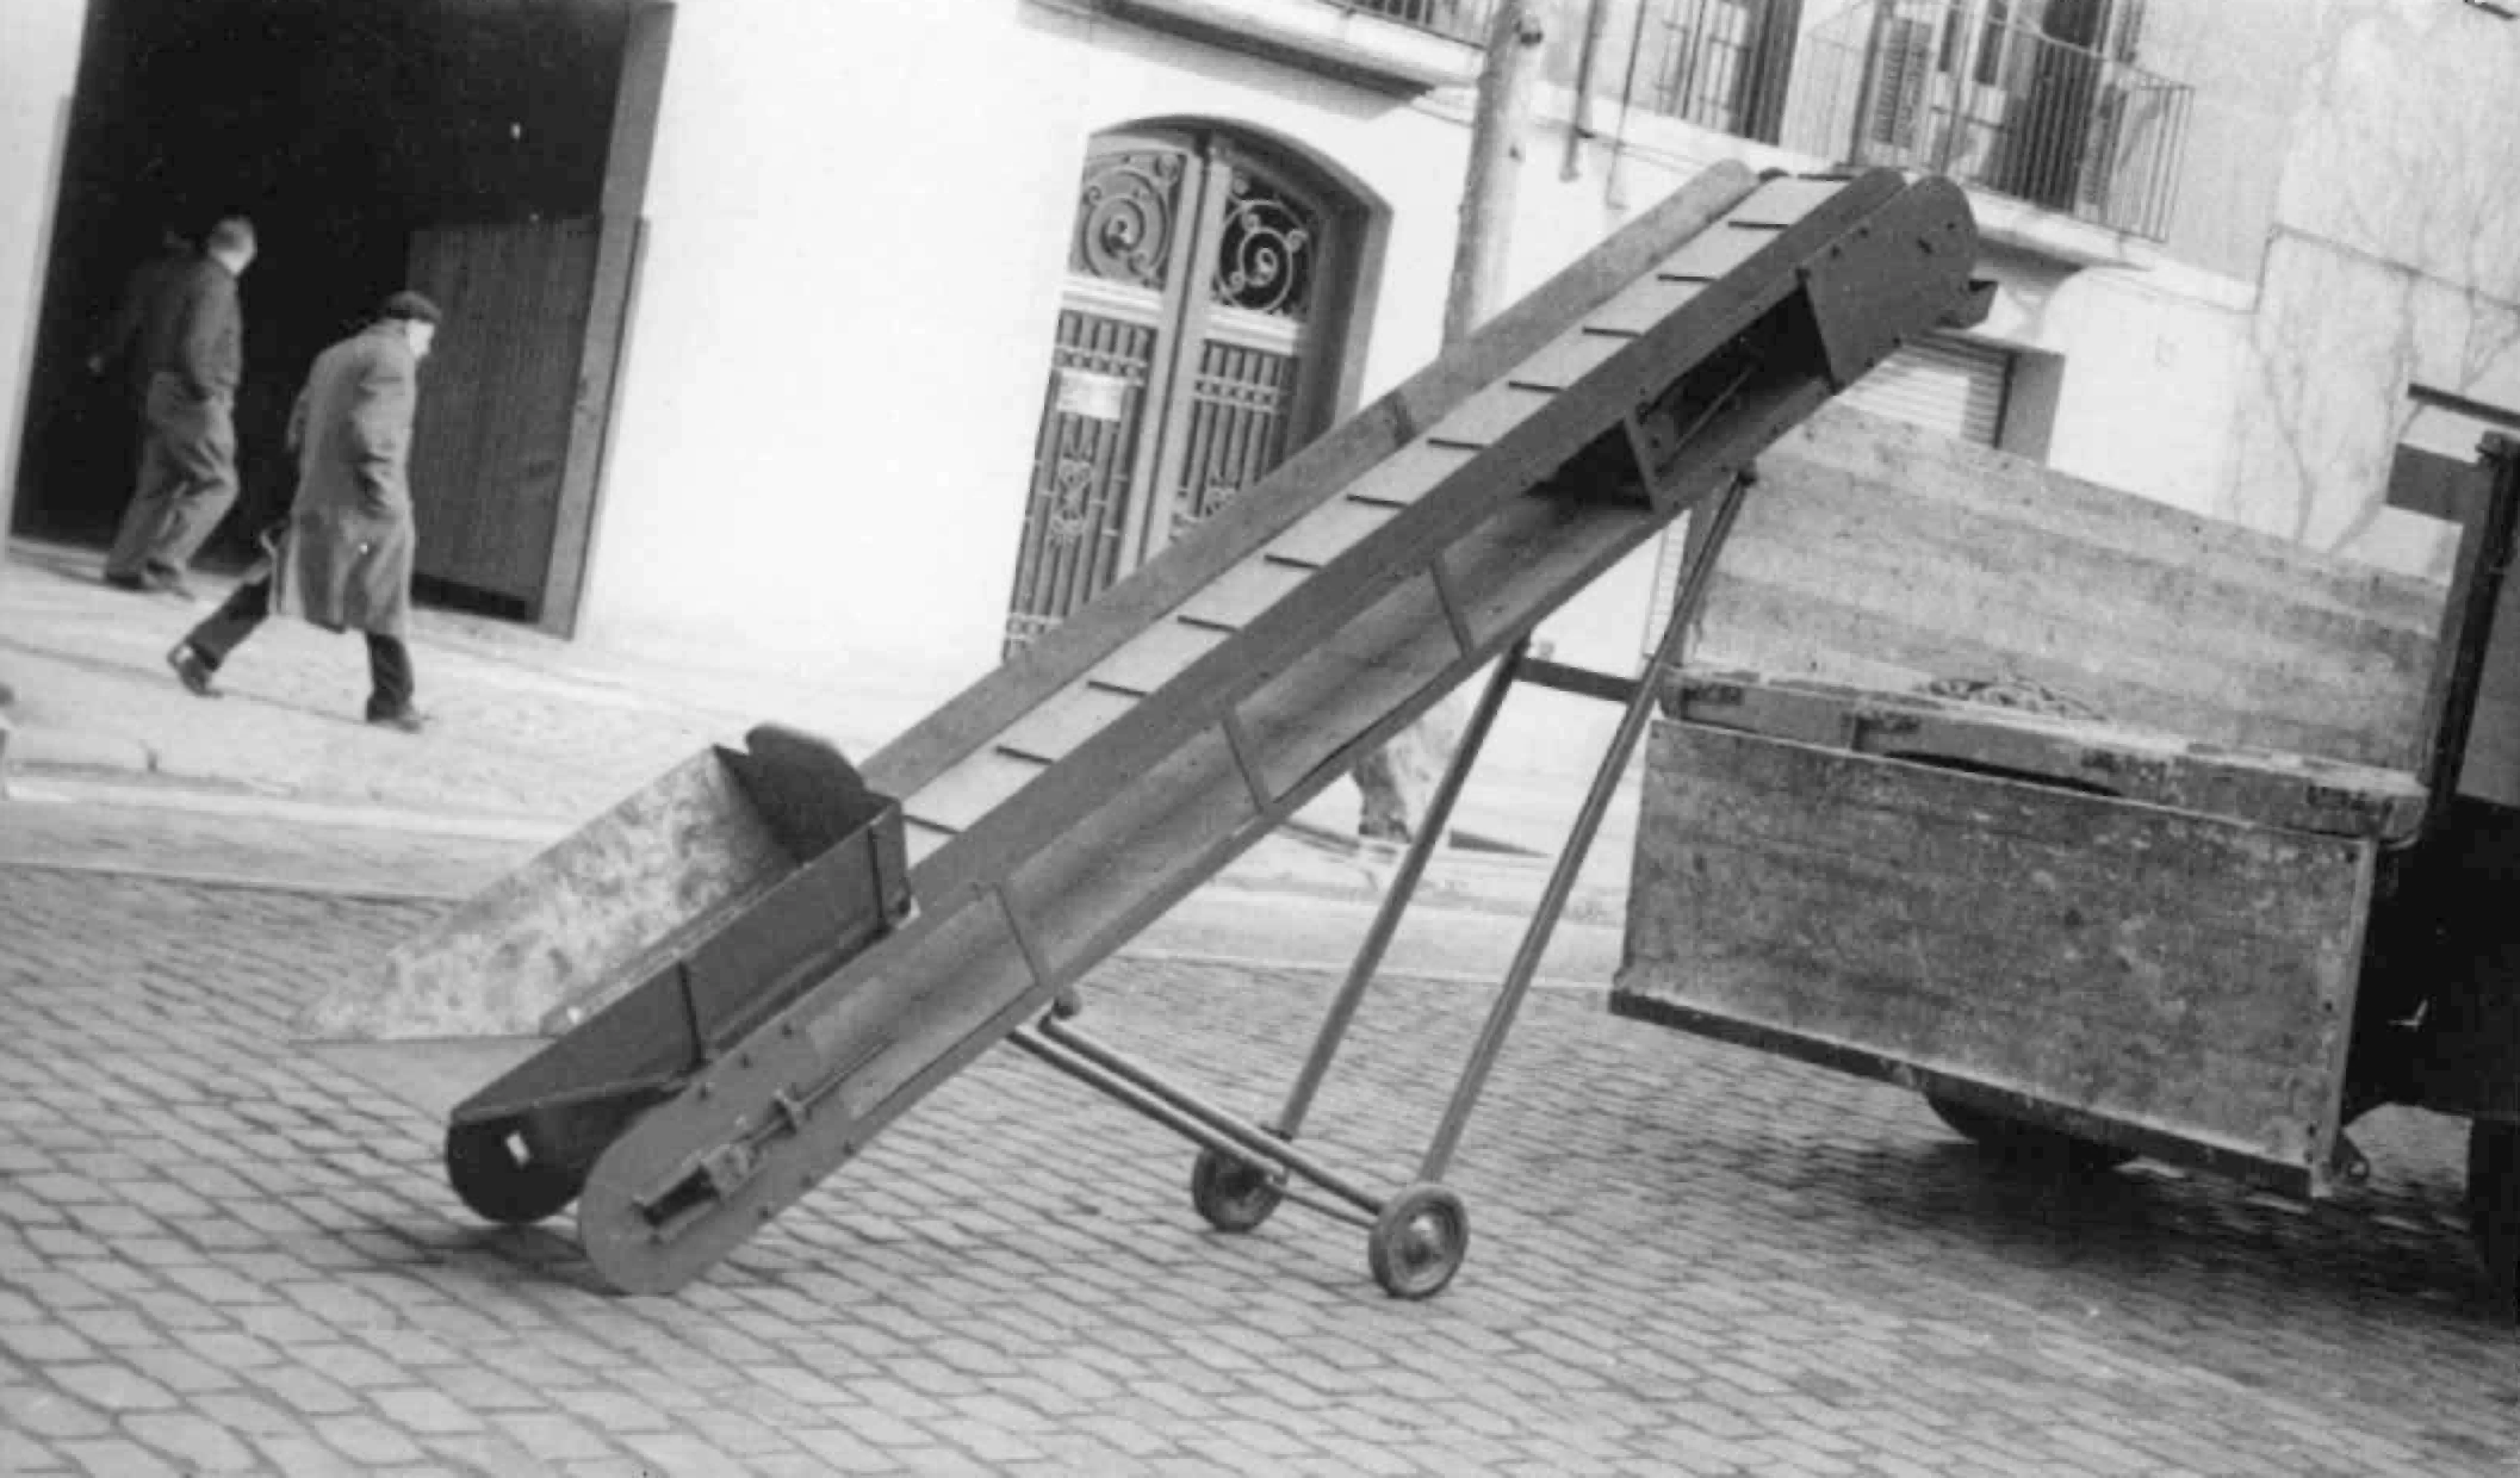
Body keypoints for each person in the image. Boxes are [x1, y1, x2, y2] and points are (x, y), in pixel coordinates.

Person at [165, 290, 442, 733]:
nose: (427, 350)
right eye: (428, 338)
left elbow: (298, 425)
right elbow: (375, 434)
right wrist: (389, 500)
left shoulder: (334, 354)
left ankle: (200, 651)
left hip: (320, 496)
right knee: (382, 593)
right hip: (367, 506)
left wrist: (314, 476)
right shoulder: (395, 360)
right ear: (412, 327)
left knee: (282, 577)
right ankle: (392, 702)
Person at [103, 215, 256, 598]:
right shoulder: (218, 284)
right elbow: (195, 345)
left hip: (163, 389)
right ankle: (167, 559)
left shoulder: (184, 275)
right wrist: (209, 394)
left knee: (159, 482)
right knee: (220, 483)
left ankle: (125, 566)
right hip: (192, 396)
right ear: (248, 251)